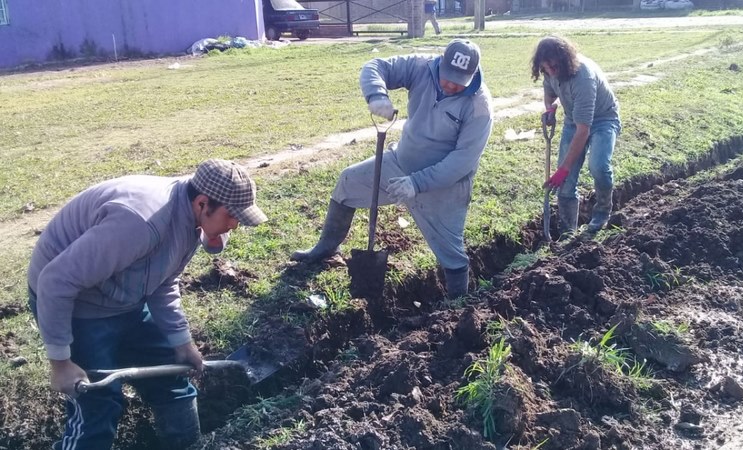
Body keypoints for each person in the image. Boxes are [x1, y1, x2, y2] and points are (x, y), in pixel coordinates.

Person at [27, 159, 267, 449]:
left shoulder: (190, 217)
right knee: (98, 404)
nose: (235, 225)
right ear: (203, 203)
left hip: (124, 297)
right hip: (77, 304)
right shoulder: (140, 222)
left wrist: (182, 342)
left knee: (173, 377)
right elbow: (55, 282)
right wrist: (61, 363)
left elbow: (164, 281)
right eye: (231, 216)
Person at [292, 39, 493, 299]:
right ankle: (327, 247)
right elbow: (375, 66)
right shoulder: (421, 66)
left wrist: (417, 183)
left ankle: (457, 305)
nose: (451, 85)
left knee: (451, 252)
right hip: (400, 163)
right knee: (348, 182)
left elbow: (462, 161)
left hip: (444, 186)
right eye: (447, 77)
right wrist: (376, 94)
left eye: (459, 81)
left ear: (472, 75)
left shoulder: (480, 107)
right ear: (440, 63)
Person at [532, 35, 621, 235]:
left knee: (598, 166)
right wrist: (549, 109)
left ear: (565, 61)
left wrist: (564, 168)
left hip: (603, 120)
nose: (551, 72)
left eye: (554, 67)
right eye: (546, 68)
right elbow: (549, 91)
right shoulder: (550, 71)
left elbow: (583, 131)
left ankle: (602, 212)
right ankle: (567, 230)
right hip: (573, 121)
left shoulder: (583, 78)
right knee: (566, 183)